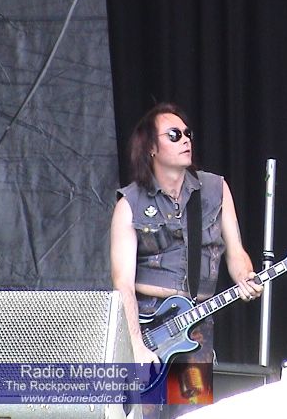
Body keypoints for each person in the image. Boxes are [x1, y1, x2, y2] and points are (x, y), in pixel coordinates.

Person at [110, 102, 262, 415]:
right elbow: (122, 281)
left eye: (187, 133)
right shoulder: (129, 203)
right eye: (174, 135)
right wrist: (136, 346)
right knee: (147, 412)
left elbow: (236, 253)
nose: (185, 140)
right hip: (147, 320)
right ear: (151, 148)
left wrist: (245, 276)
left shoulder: (215, 189)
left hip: (197, 322)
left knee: (191, 410)